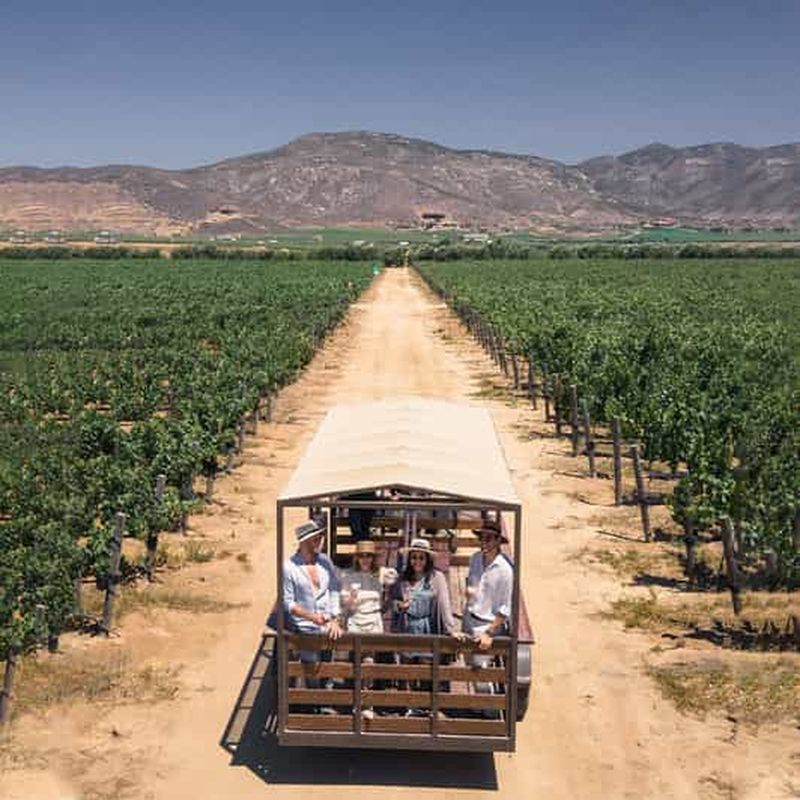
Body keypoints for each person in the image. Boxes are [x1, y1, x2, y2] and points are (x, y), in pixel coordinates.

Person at [282, 517, 342, 712]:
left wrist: (335, 618)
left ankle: (325, 705)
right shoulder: (289, 567)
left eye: (320, 537)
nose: (320, 541)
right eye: (316, 538)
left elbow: (334, 589)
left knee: (327, 663)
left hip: (327, 625)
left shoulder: (325, 561)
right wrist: (311, 617)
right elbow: (288, 603)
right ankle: (314, 705)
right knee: (311, 666)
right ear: (304, 541)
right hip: (304, 627)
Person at [391, 538, 456, 717]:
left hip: (427, 626)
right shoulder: (402, 579)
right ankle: (409, 708)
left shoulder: (436, 577)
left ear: (427, 560)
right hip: (407, 627)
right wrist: (399, 606)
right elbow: (392, 602)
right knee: (407, 670)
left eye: (421, 558)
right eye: (414, 557)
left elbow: (444, 604)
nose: (417, 561)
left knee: (427, 668)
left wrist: (451, 629)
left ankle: (428, 708)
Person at [463, 519, 513, 702]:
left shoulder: (505, 571)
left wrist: (489, 633)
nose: (484, 542)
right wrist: (469, 592)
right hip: (469, 618)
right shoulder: (475, 558)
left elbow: (505, 609)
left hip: (486, 625)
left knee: (480, 675)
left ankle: (489, 712)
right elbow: (471, 582)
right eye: (482, 538)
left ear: (498, 541)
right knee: (471, 666)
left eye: (489, 538)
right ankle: (484, 709)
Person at [340, 539, 390, 720]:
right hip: (356, 619)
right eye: (362, 555)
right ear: (357, 557)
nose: (365, 559)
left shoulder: (380, 574)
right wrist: (351, 598)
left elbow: (396, 579)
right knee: (357, 662)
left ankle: (367, 703)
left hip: (373, 619)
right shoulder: (348, 576)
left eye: (369, 555)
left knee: (369, 661)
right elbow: (344, 604)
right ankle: (358, 701)